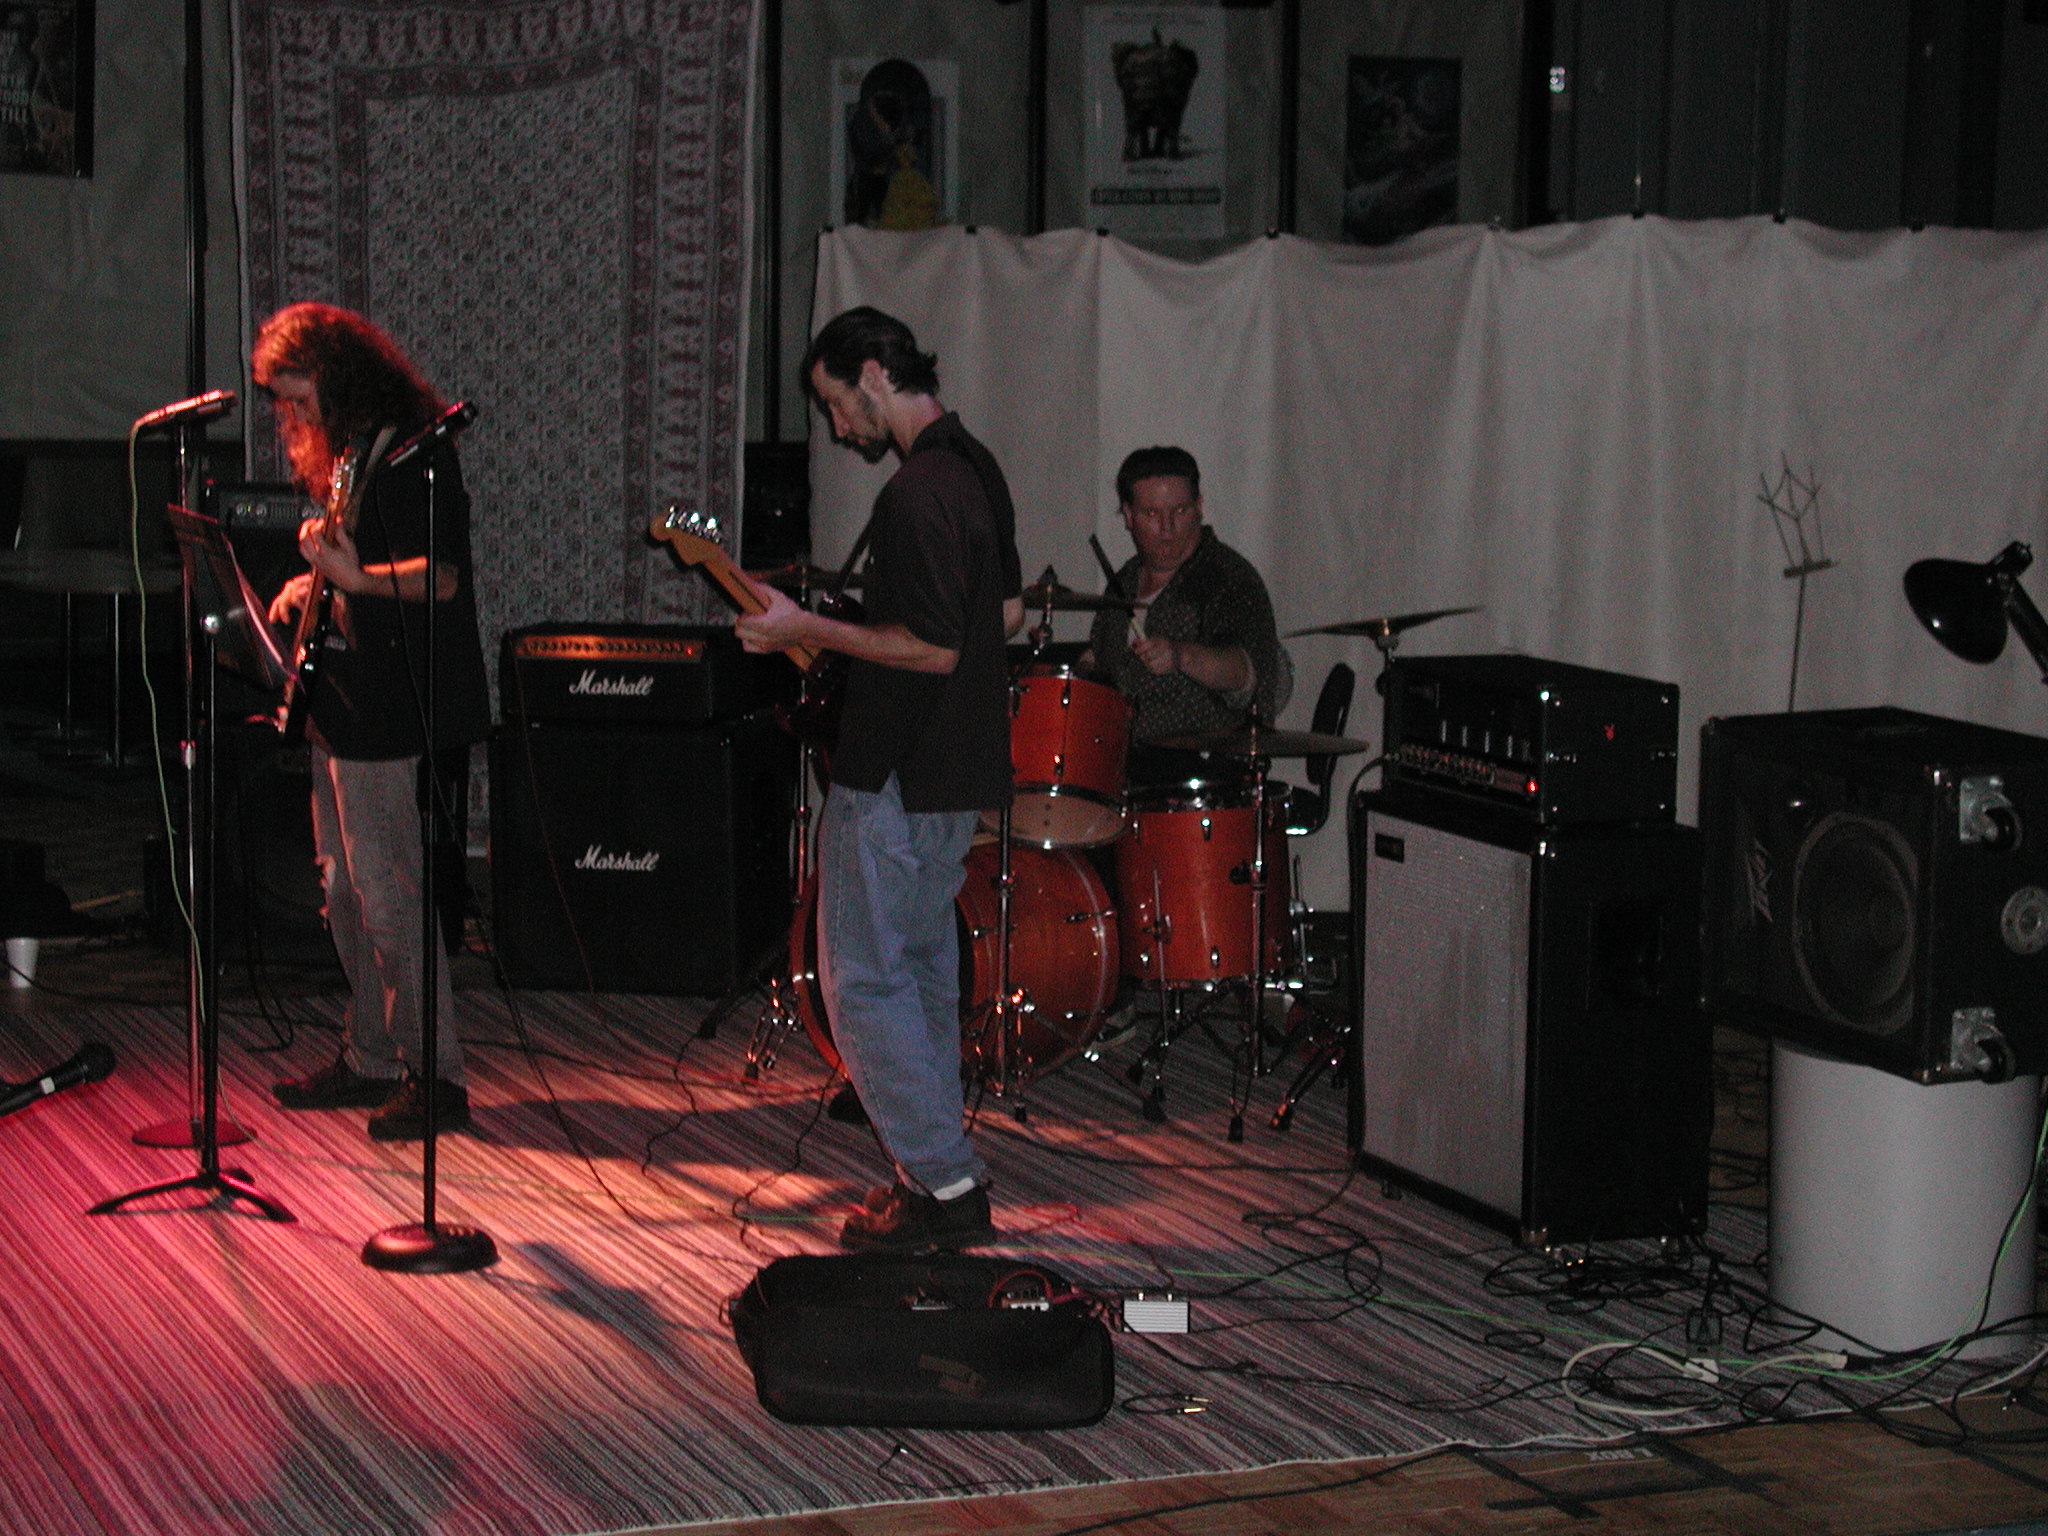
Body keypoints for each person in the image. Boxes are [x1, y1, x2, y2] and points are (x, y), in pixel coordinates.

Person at [735, 306, 1022, 1252]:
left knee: (862, 985)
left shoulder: (916, 493)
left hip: (896, 771)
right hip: (953, 772)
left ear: (870, 374)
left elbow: (933, 648)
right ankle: (933, 1180)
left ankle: (944, 1183)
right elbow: (1004, 615)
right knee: (921, 979)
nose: (835, 425)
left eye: (833, 403)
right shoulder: (976, 467)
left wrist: (805, 628)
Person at [258, 303, 491, 1141]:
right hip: (344, 690)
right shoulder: (356, 452)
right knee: (341, 888)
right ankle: (373, 1055)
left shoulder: (417, 451)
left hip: (396, 695)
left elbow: (444, 578)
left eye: (300, 398)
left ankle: (439, 1074)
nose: (293, 416)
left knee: (388, 890)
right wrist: (314, 585)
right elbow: (355, 562)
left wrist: (354, 581)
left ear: (340, 377)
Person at [1084, 445, 1291, 778]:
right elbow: (1102, 663)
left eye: (1179, 511)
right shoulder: (1123, 582)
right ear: (1129, 516)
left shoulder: (1228, 579)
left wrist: (1180, 656)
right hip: (1122, 767)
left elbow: (1246, 673)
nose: (1167, 528)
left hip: (1203, 774)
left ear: (1199, 507)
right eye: (1151, 514)